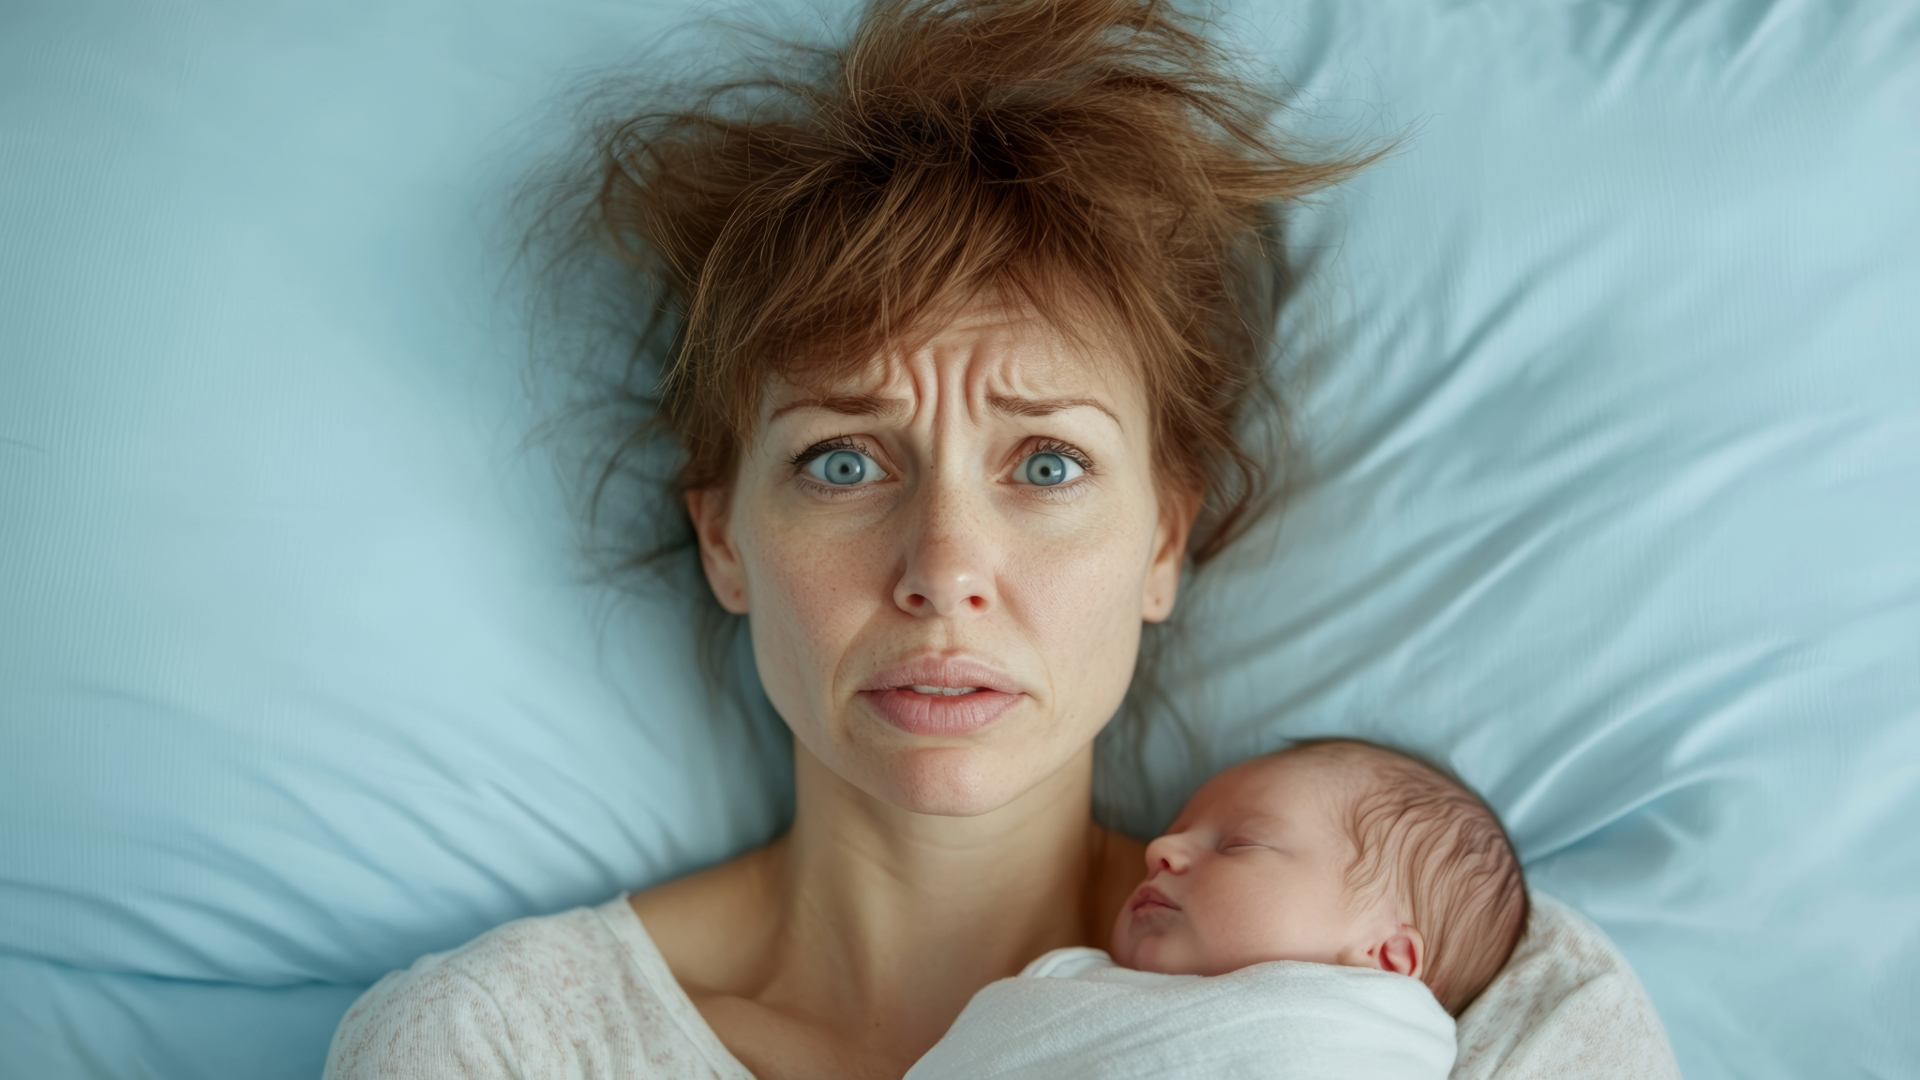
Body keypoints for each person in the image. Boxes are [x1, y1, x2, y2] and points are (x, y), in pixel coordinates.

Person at [325, 1, 1661, 1078]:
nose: (944, 570)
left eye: (1048, 462)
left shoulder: (1475, 996)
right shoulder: (501, 1048)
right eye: (844, 461)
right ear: (725, 539)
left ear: (1163, 543)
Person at [904, 740, 1527, 1079]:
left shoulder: (1374, 1037)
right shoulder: (1076, 996)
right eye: (1176, 829)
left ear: (1388, 959)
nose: (1159, 849)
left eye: (1238, 843)